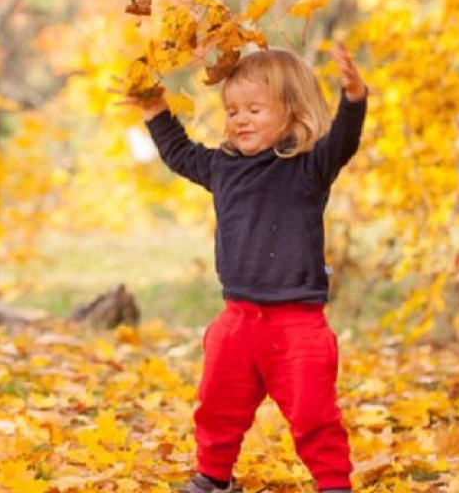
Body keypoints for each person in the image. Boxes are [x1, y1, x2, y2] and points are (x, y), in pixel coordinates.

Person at [133, 44, 367, 493]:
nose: (240, 119)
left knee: (314, 414)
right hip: (237, 319)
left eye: (254, 109)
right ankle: (213, 477)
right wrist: (155, 109)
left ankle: (334, 484)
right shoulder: (224, 167)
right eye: (233, 110)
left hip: (297, 324)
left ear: (292, 112)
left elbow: (343, 141)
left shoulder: (308, 168)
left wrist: (354, 98)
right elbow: (179, 153)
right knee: (217, 405)